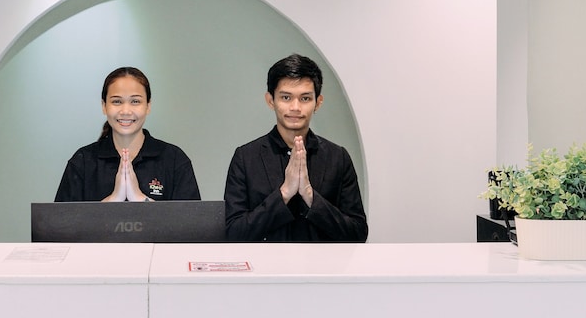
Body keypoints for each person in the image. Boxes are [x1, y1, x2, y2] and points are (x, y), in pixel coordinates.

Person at [224, 54, 368, 241]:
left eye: (305, 98)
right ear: (270, 100)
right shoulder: (246, 157)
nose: (295, 107)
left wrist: (310, 196)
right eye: (286, 97)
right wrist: (284, 193)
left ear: (318, 102)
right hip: (267, 260)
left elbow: (357, 233)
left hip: (321, 261)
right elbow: (234, 233)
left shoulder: (338, 157)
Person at [55, 66, 201, 202]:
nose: (125, 111)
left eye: (135, 101)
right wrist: (113, 200)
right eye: (117, 101)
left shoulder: (174, 160)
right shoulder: (83, 161)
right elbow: (61, 220)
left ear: (148, 106)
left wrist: (139, 198)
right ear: (104, 106)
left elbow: (192, 219)